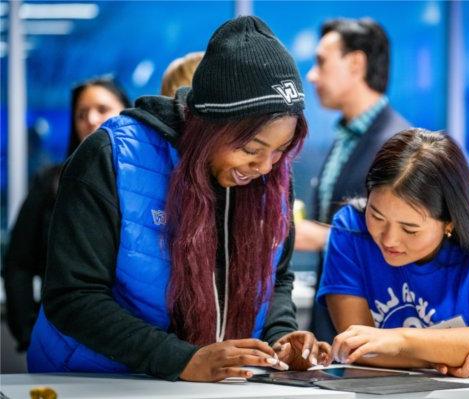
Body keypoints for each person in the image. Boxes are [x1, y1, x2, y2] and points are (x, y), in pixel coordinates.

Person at [27, 16, 330, 382]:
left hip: (206, 385)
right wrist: (179, 359)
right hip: (92, 380)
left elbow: (276, 276)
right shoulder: (113, 156)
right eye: (251, 147)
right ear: (210, 126)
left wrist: (281, 336)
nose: (265, 166)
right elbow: (73, 296)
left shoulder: (269, 176)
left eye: (281, 149)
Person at [318, 129, 469, 377]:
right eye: (376, 216)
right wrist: (448, 354)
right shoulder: (351, 231)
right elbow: (357, 348)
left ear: (450, 222)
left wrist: (401, 341)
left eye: (410, 229)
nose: (389, 239)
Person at [299, 17, 410, 342]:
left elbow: (409, 237)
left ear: (357, 64)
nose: (312, 75)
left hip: (376, 321)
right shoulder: (346, 137)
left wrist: (318, 237)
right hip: (332, 317)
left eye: (321, 62)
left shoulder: (400, 146)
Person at [2, 77, 130, 352]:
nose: (91, 120)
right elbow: (18, 264)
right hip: (65, 339)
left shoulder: (149, 182)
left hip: (135, 340)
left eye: (103, 108)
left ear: (127, 112)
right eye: (81, 114)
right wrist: (27, 331)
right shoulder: (52, 182)